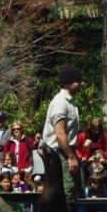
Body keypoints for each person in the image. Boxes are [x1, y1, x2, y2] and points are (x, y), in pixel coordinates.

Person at [42, 64, 83, 202]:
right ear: (68, 82)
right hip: (60, 152)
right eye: (78, 80)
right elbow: (60, 134)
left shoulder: (70, 102)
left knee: (75, 190)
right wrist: (70, 157)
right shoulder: (60, 102)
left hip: (66, 151)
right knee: (67, 192)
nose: (81, 84)